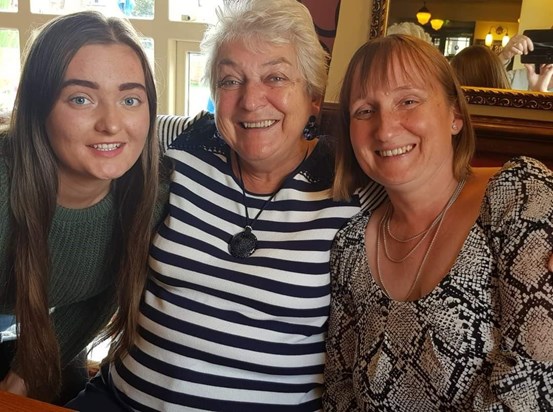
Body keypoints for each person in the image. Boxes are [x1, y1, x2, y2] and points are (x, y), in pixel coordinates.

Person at [65, 0, 386, 410]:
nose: (251, 100)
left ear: (313, 97)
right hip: (120, 399)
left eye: (275, 76)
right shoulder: (181, 146)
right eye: (231, 80)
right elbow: (85, 131)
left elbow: (445, 189)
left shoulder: (357, 186)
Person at [323, 34, 553, 410]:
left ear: (455, 116)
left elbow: (538, 376)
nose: (385, 128)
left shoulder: (517, 196)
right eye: (365, 110)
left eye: (408, 101)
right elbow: (338, 390)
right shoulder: (350, 245)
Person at [0, 10, 164, 404]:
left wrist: (17, 384)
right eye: (81, 98)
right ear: (40, 108)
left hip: (38, 338)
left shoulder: (150, 199)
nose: (111, 123)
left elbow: (93, 303)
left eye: (129, 99)